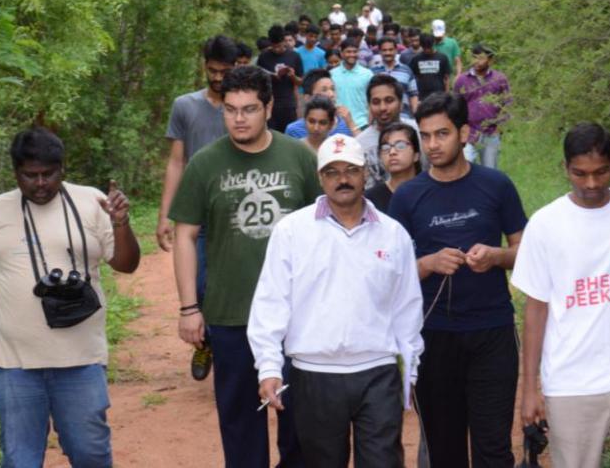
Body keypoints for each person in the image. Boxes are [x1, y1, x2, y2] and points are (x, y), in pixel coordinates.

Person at [0, 128, 141, 467]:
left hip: (81, 360)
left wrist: (121, 222)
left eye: (48, 174)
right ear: (15, 173)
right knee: (20, 459)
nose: (40, 183)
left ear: (62, 169)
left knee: (91, 455)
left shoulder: (91, 202)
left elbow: (126, 264)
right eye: (30, 175)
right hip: (15, 365)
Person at [170, 66, 320, 468]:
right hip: (231, 312)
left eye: (249, 109)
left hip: (297, 314)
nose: (239, 118)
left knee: (300, 424)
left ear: (269, 108)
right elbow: (185, 235)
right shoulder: (205, 163)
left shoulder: (298, 157)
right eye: (231, 109)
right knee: (239, 426)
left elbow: (323, 230)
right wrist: (189, 307)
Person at [247, 133, 423, 468]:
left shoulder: (393, 234)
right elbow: (271, 303)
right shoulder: (292, 232)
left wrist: (410, 370)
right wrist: (268, 367)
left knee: (384, 462)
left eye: (350, 170)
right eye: (332, 172)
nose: (342, 179)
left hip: (378, 371)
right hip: (315, 375)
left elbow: (408, 308)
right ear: (320, 178)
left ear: (365, 174)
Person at [511, 123, 610, 468]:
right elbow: (535, 312)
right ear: (565, 169)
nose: (592, 184)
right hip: (570, 384)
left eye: (601, 172)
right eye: (580, 174)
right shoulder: (545, 224)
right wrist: (529, 390)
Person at [389, 92, 528, 467]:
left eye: (442, 134)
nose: (432, 145)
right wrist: (429, 263)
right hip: (433, 336)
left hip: (492, 333)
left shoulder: (496, 185)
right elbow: (390, 273)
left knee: (493, 449)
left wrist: (498, 257)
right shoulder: (407, 197)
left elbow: (527, 252)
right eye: (426, 135)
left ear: (464, 133)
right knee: (445, 450)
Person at [158, 35, 239, 380]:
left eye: (224, 71)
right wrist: (165, 214)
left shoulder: (244, 109)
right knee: (200, 284)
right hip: (199, 215)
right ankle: (205, 345)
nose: (218, 78)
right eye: (212, 70)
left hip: (238, 215)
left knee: (238, 287)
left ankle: (237, 354)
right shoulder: (185, 106)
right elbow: (176, 162)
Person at [355, 74, 420, 189]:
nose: (383, 108)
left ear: (400, 104)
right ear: (369, 106)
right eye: (376, 102)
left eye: (389, 100)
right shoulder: (359, 144)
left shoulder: (418, 132)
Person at [454, 44, 510, 169]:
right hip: (468, 133)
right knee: (464, 167)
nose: (477, 61)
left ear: (490, 60)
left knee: (490, 171)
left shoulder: (499, 79)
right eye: (474, 57)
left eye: (481, 58)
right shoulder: (462, 80)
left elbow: (508, 103)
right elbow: (455, 105)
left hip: (491, 133)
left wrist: (499, 127)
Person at [364, 121, 421, 212]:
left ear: (416, 155)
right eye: (385, 148)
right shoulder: (370, 200)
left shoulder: (430, 191)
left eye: (400, 146)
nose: (392, 152)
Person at [285, 68, 357, 138]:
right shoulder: (294, 130)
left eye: (333, 89)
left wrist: (351, 125)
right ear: (308, 98)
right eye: (324, 90)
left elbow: (361, 148)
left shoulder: (347, 125)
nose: (331, 94)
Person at [257, 24, 303, 132]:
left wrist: (292, 76)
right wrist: (270, 76)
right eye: (274, 46)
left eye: (279, 46)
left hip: (288, 104)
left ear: (284, 41)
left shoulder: (294, 56)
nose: (277, 49)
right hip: (270, 103)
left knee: (289, 134)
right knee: (271, 134)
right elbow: (258, 79)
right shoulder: (264, 57)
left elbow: (300, 82)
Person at [330, 40, 374, 130]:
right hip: (338, 124)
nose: (352, 55)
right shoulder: (331, 74)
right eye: (348, 52)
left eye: (355, 51)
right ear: (341, 53)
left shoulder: (367, 74)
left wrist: (370, 122)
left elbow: (372, 100)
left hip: (362, 124)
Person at [372, 36, 418, 117]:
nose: (388, 53)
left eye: (390, 50)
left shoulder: (406, 70)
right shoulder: (373, 72)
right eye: (384, 50)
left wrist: (416, 115)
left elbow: (413, 94)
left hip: (404, 118)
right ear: (379, 52)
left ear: (396, 50)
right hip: (381, 119)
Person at [409, 33, 452, 103]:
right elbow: (411, 78)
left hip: (439, 96)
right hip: (422, 97)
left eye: (429, 47)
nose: (427, 50)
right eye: (424, 47)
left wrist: (447, 95)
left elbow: (446, 78)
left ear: (433, 44)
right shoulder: (416, 59)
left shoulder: (442, 58)